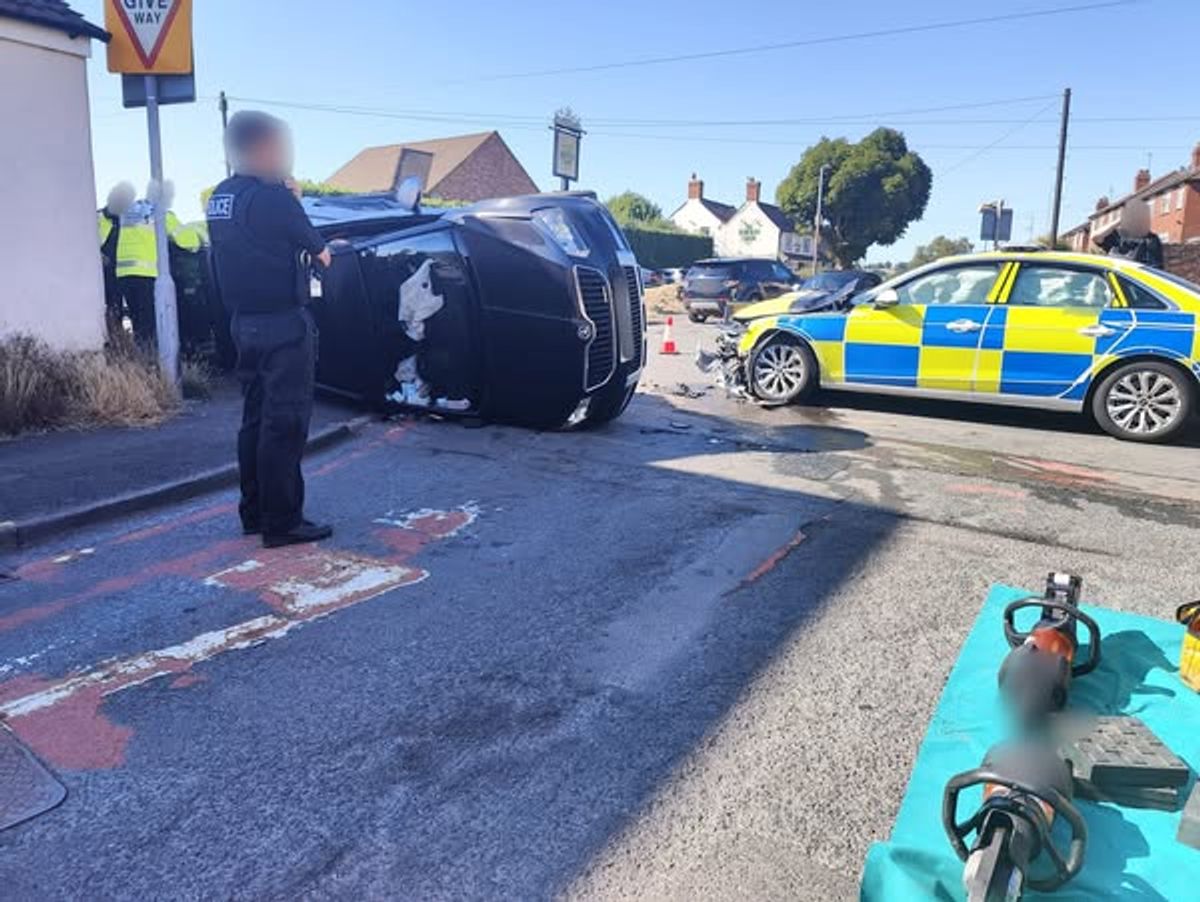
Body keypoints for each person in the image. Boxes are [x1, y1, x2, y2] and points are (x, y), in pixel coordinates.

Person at [206, 111, 333, 548]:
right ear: (265, 149)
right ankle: (283, 521)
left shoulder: (221, 196)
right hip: (284, 323)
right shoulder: (274, 198)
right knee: (286, 422)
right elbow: (321, 253)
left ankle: (255, 513)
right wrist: (292, 199)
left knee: (255, 419)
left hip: (243, 324)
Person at [97, 182, 136, 337]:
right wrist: (98, 256)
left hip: (126, 270)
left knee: (130, 310)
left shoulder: (129, 219)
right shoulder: (98, 217)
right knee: (112, 308)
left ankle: (126, 342)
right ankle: (115, 341)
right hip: (106, 272)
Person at [1092, 199, 1164, 268]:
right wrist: (1118, 221)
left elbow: (1154, 266)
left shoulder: (1151, 239)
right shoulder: (1117, 235)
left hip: (1131, 275)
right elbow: (1096, 237)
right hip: (1113, 273)